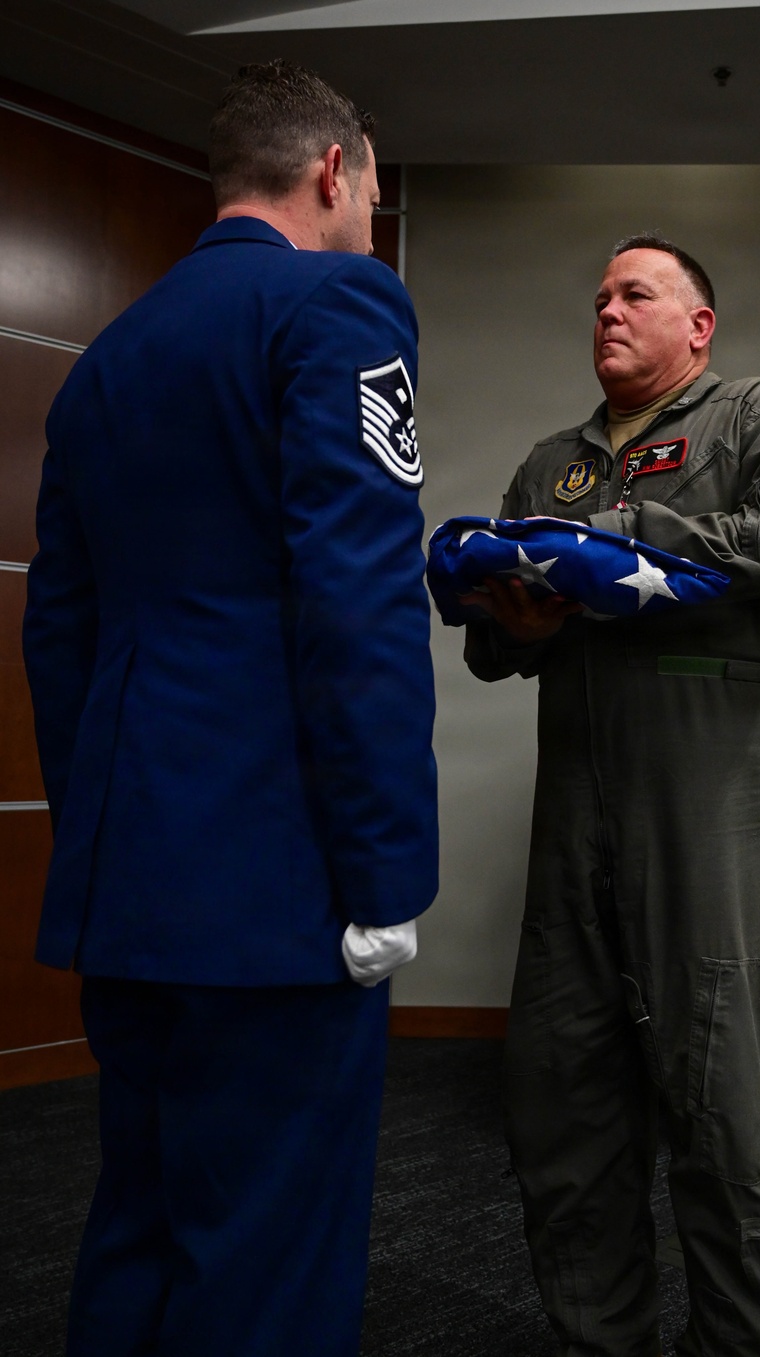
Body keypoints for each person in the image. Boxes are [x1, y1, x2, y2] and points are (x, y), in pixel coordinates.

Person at [22, 60, 437, 1357]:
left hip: (131, 880)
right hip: (278, 889)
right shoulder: (341, 304)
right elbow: (358, 598)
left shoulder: (111, 361)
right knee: (269, 1263)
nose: (369, 213)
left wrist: (109, 832)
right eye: (370, 186)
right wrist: (384, 875)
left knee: (141, 1230)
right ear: (334, 169)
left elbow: (62, 631)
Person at [463, 235, 760, 1357]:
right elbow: (492, 651)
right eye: (597, 299)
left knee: (725, 1120)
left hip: (716, 807)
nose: (608, 311)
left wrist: (614, 546)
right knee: (563, 1115)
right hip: (578, 819)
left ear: (698, 324)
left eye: (635, 293)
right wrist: (515, 612)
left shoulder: (755, 416)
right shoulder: (554, 463)